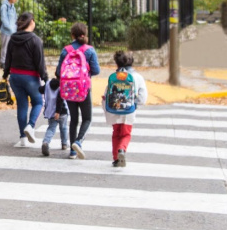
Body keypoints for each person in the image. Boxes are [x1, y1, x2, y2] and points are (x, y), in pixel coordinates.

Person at [55, 22, 100, 160]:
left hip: (69, 90)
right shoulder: (90, 50)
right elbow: (96, 70)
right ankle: (78, 142)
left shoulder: (66, 50)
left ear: (72, 35)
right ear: (85, 34)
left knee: (74, 119)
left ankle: (72, 152)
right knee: (87, 118)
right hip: (84, 89)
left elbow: (58, 72)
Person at [2, 11, 47, 147]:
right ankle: (30, 126)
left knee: (22, 105)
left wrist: (5, 75)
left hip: (15, 77)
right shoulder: (35, 40)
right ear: (31, 22)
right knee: (38, 102)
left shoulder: (12, 39)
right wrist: (45, 78)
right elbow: (40, 62)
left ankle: (22, 138)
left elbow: (8, 59)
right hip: (31, 77)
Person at [102, 50, 148, 167]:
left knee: (116, 134)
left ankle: (116, 158)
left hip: (114, 110)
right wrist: (135, 105)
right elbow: (142, 97)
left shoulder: (114, 77)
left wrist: (106, 109)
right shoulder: (137, 77)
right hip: (129, 111)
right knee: (126, 134)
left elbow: (106, 95)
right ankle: (122, 149)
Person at [40, 76, 69, 156]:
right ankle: (64, 144)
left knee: (51, 128)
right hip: (62, 112)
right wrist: (58, 112)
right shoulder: (62, 85)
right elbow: (60, 99)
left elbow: (40, 90)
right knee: (64, 128)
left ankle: (46, 142)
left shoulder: (48, 84)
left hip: (51, 112)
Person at [0, 0, 18, 65]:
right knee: (5, 47)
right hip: (6, 31)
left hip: (13, 31)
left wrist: (15, 28)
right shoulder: (4, 6)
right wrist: (10, 28)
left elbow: (15, 18)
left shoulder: (13, 7)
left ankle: (10, 61)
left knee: (12, 47)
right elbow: (4, 19)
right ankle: (3, 62)